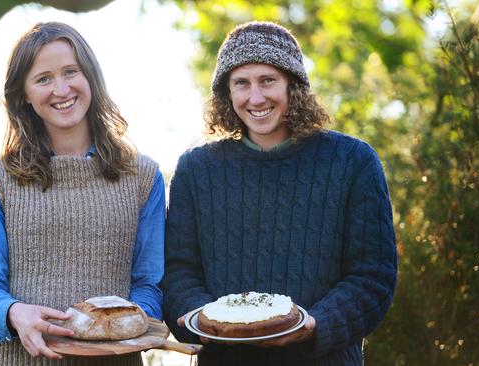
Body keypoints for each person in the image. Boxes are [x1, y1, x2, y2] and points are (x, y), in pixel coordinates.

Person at [161, 21, 397, 365]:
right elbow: (178, 271)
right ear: (227, 93)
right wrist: (200, 317)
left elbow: (372, 276)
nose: (256, 98)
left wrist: (316, 325)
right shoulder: (197, 169)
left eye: (267, 80)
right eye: (241, 83)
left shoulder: (353, 161)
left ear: (293, 85)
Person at [0, 22, 164, 366]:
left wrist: (119, 327)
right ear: (23, 94)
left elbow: (150, 285)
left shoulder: (143, 177)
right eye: (43, 79)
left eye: (71, 72)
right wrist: (13, 313)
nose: (62, 88)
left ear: (91, 78)